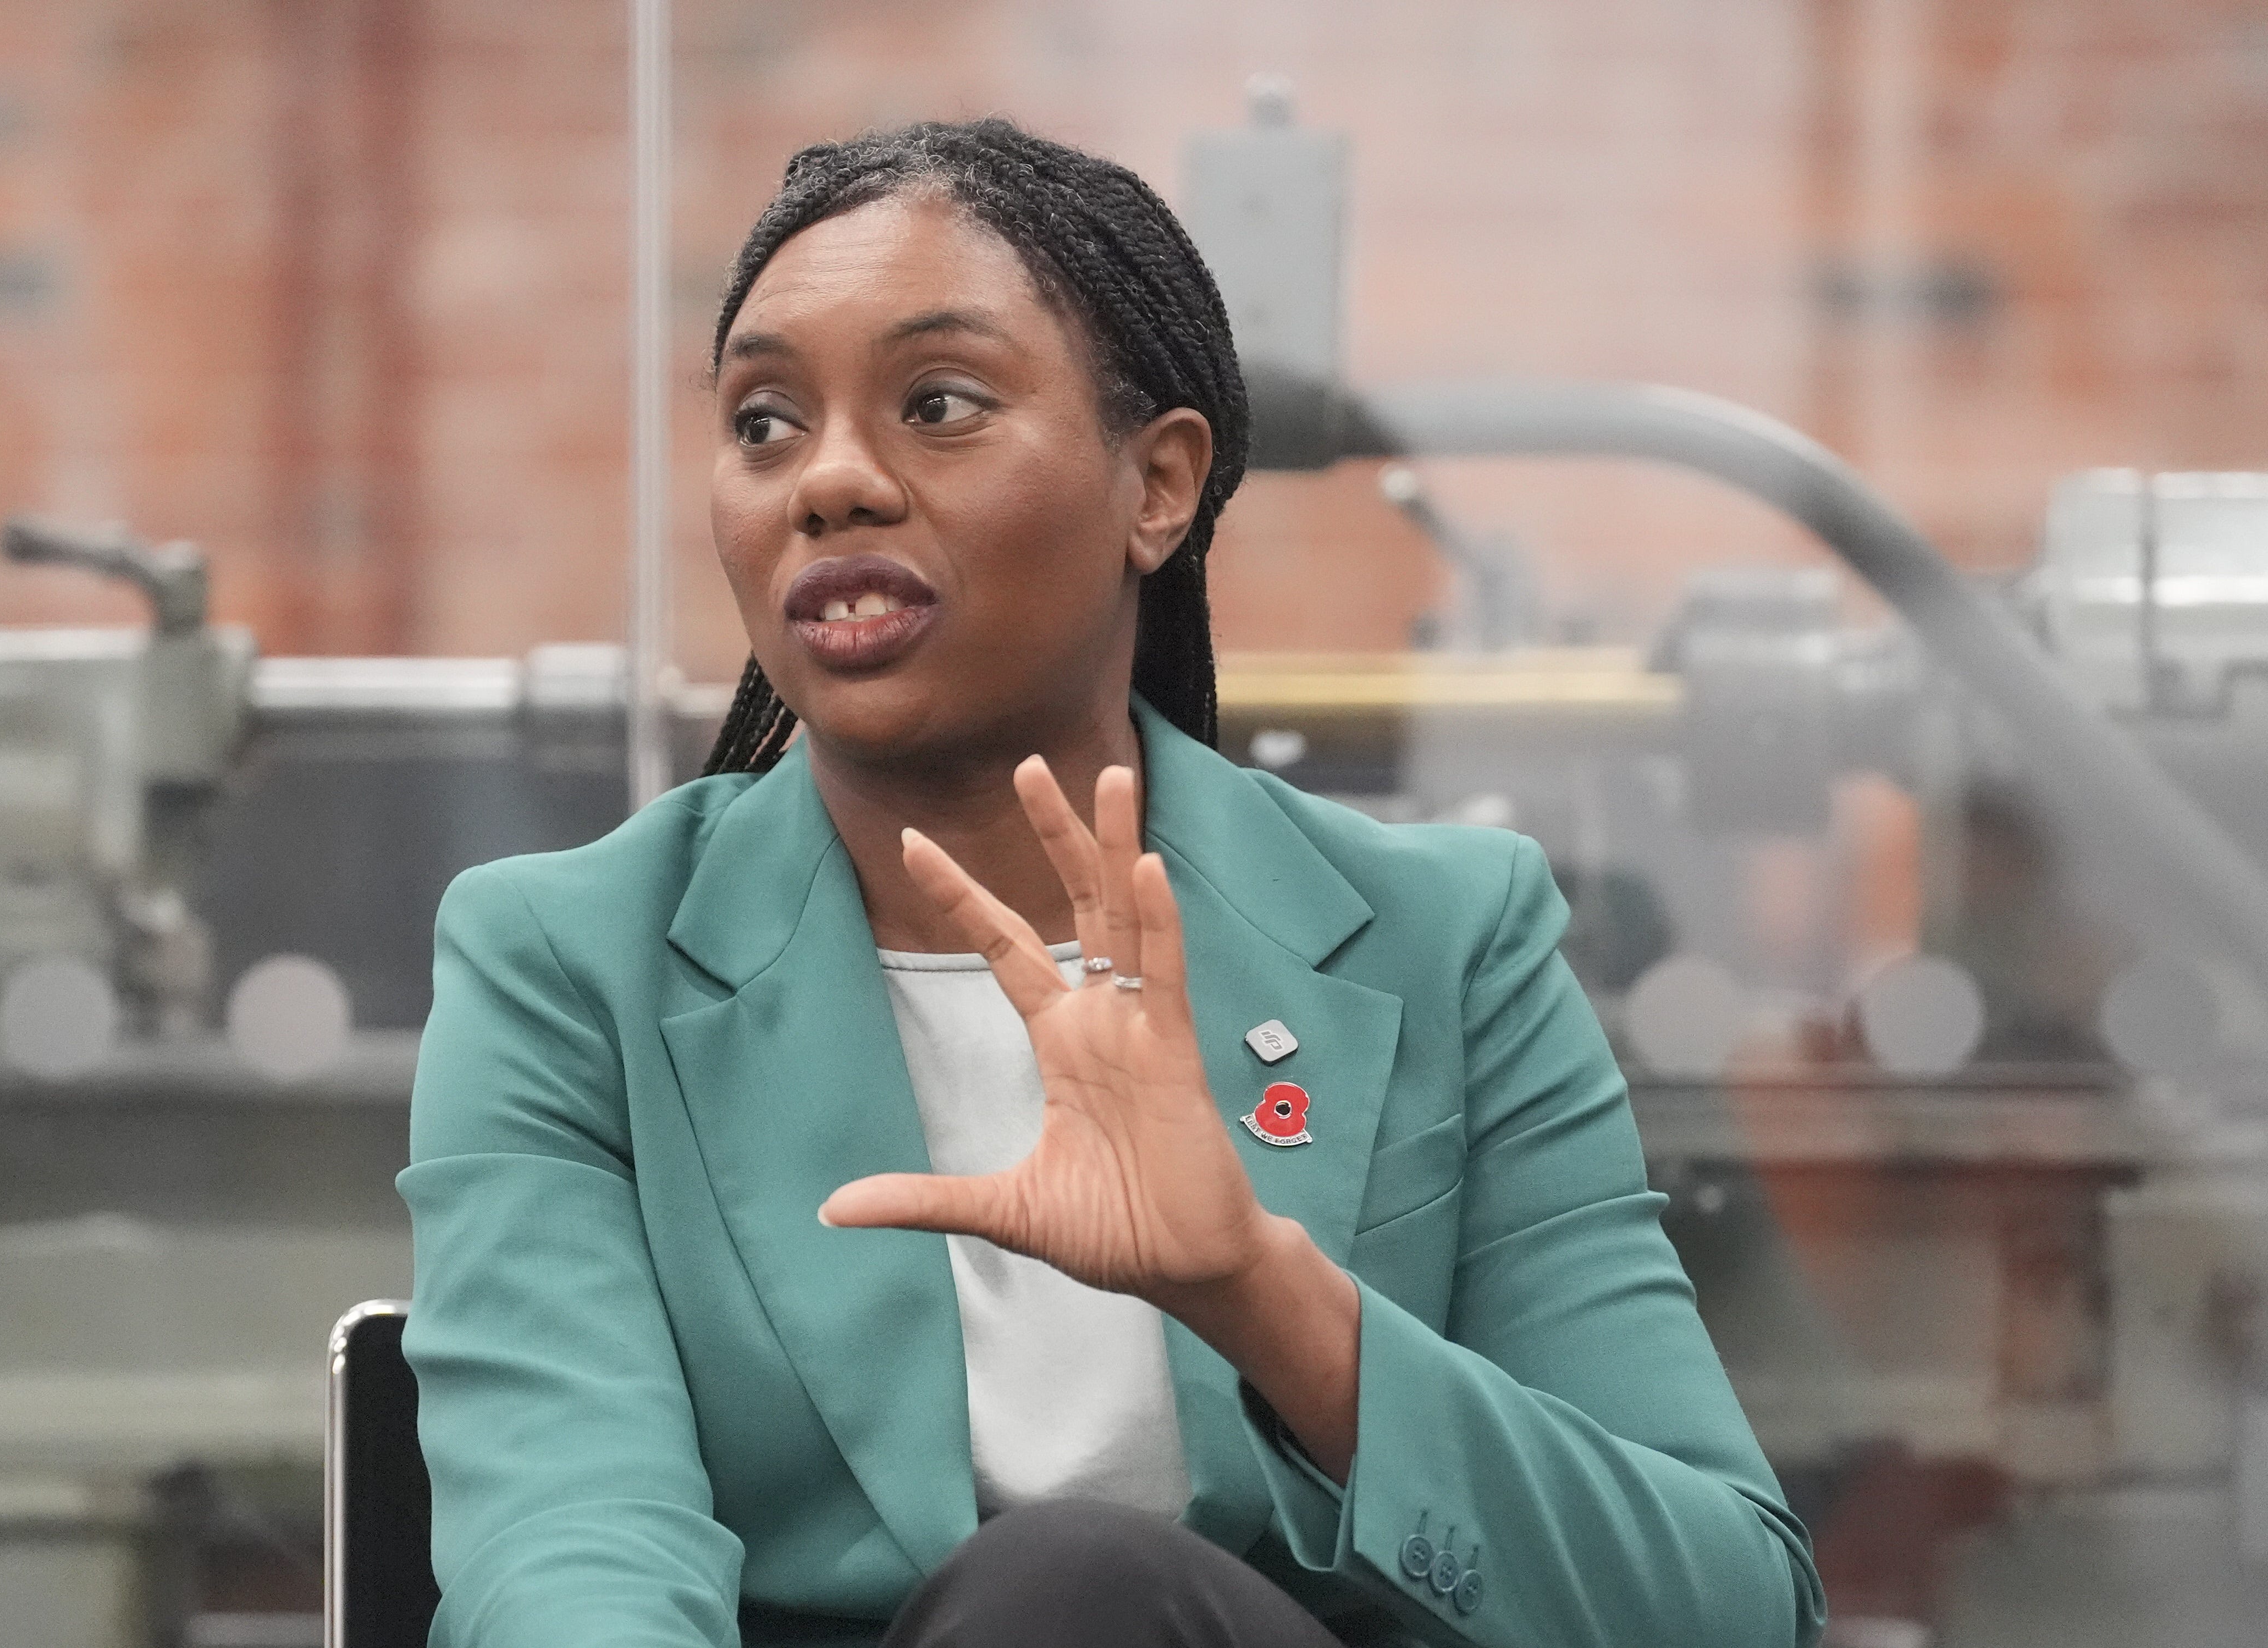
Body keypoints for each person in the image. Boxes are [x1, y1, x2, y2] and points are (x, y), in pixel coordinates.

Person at [400, 119, 1824, 1648]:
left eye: (936, 404)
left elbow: (1726, 1608)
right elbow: (569, 1544)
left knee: (1072, 1591)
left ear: (1159, 485)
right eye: (763, 424)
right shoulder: (566, 965)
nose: (827, 485)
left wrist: (1263, 1295)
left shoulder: (1446, 943)